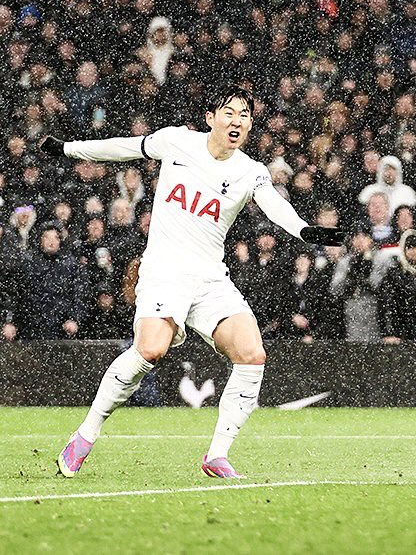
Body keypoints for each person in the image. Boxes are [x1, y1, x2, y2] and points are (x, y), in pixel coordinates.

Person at [40, 86, 347, 479]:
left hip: (209, 277)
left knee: (253, 355)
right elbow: (123, 147)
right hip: (165, 271)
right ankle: (85, 434)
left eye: (245, 116)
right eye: (229, 112)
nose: (237, 121)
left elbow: (274, 203)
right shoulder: (177, 142)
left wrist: (305, 230)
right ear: (210, 117)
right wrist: (69, 149)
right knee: (150, 351)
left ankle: (216, 455)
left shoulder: (250, 170)